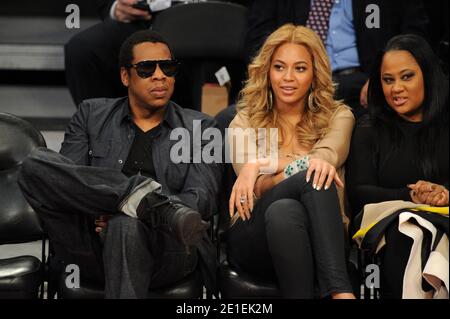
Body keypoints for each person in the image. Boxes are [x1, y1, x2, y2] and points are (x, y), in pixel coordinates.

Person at [18, 30, 221, 298]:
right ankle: (137, 198)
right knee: (33, 165)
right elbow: (67, 186)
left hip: (169, 248)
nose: (160, 75)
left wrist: (129, 214)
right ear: (126, 76)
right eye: (147, 68)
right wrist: (109, 204)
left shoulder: (202, 127)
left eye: (168, 67)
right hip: (91, 246)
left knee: (125, 226)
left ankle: (142, 204)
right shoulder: (91, 115)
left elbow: (202, 199)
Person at [226, 24, 356, 299]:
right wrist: (264, 172)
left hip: (322, 237)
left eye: (300, 68)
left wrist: (259, 165)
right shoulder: (243, 121)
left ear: (314, 74)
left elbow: (326, 157)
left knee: (286, 210)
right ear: (267, 71)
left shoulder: (339, 116)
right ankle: (341, 293)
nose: (288, 78)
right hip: (255, 239)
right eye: (279, 67)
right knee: (309, 177)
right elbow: (258, 190)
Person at [346, 34, 449, 298]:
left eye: (406, 77)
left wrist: (443, 193)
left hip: (444, 218)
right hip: (389, 225)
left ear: (427, 75)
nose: (396, 89)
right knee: (409, 229)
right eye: (388, 80)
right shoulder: (369, 129)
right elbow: (358, 193)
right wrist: (410, 196)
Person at [245, 0, 430, 118]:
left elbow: (415, 35)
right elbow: (258, 39)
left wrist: (382, 75)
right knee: (230, 119)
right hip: (301, 81)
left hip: (363, 82)